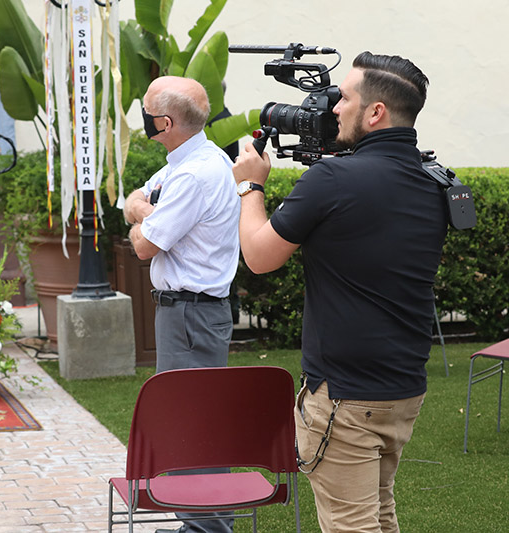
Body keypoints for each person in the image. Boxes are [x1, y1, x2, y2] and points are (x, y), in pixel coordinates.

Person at [233, 52, 447, 532]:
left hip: (346, 396)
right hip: (403, 389)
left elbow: (260, 256)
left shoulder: (331, 180)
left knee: (352, 526)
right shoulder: (434, 182)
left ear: (375, 113)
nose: (331, 109)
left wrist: (250, 185)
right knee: (378, 516)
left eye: (344, 98)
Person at [123, 75, 240, 533]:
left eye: (149, 112)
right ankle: (202, 524)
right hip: (186, 311)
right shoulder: (189, 159)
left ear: (165, 122)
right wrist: (148, 215)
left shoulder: (193, 173)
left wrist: (147, 223)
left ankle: (209, 527)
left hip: (192, 312)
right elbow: (133, 201)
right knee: (189, 415)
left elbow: (144, 246)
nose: (146, 119)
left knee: (196, 420)